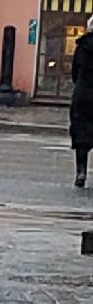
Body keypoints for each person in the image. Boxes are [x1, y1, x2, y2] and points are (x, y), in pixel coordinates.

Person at [70, 16, 93, 187]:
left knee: (82, 135)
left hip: (83, 94)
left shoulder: (82, 47)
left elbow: (74, 73)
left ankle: (81, 172)